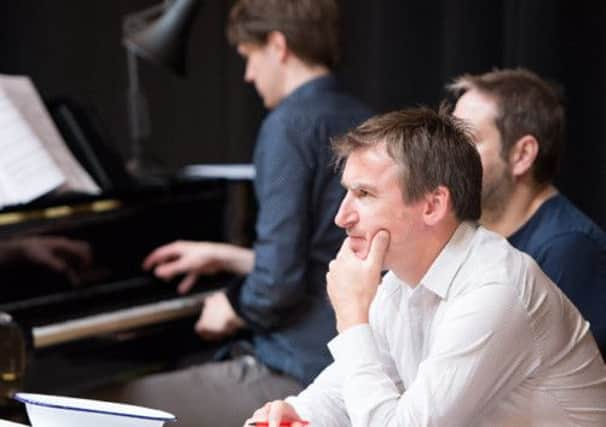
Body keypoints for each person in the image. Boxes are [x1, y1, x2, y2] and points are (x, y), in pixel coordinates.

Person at [245, 108, 606, 427]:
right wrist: (295, 410)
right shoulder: (402, 280)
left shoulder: (496, 291)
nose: (342, 217)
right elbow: (345, 391)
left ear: (433, 206)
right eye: (346, 193)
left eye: (365, 195)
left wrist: (353, 319)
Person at [103, 1, 371, 426]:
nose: (247, 75)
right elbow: (323, 254)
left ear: (278, 46)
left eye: (249, 57)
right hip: (347, 357)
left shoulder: (288, 125)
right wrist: (224, 256)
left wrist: (233, 308)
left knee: (116, 400)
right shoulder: (362, 117)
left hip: (299, 367)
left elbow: (276, 287)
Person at [449, 69, 606, 353]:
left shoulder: (569, 249)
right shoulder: (465, 232)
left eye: (467, 140)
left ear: (522, 155)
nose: (449, 154)